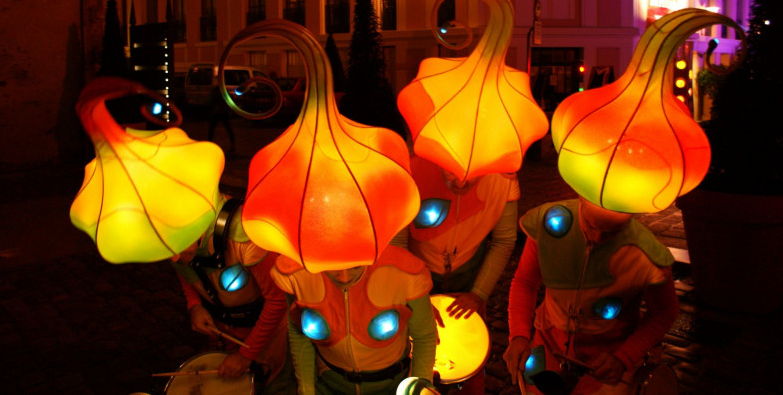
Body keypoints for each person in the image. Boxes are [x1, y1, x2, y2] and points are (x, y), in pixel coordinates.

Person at [504, 196, 679, 395]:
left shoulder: (648, 256)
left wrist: (624, 358)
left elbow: (665, 311)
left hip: (609, 361)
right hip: (549, 345)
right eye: (590, 224)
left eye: (611, 232)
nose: (597, 237)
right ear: (581, 198)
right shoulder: (548, 226)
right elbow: (525, 282)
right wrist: (519, 335)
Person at [391, 154, 519, 392]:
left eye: (471, 174)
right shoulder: (411, 171)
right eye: (452, 171)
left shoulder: (503, 179)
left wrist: (479, 293)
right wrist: (415, 296)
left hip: (468, 277)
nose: (460, 182)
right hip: (418, 277)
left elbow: (505, 240)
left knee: (470, 361)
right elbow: (397, 243)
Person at [269, 244, 438, 395]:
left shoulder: (403, 270)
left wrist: (421, 389)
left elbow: (424, 336)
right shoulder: (296, 272)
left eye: (356, 266)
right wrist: (306, 389)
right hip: (328, 384)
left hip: (392, 385)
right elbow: (299, 335)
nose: (344, 277)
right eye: (333, 266)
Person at [171, 194, 293, 393]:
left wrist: (246, 355)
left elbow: (278, 300)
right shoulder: (171, 240)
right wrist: (195, 305)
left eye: (176, 246)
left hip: (272, 333)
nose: (175, 258)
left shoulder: (245, 234)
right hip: (226, 330)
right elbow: (186, 272)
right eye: (165, 253)